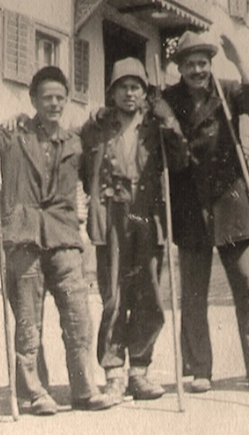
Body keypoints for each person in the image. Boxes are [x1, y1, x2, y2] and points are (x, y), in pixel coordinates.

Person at [0, 66, 117, 415]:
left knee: (78, 316)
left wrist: (104, 115)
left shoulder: (74, 141)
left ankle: (84, 389)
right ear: (33, 99)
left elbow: (99, 136)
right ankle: (34, 392)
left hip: (63, 237)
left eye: (60, 97)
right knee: (28, 321)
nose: (54, 103)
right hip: (23, 234)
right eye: (47, 97)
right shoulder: (13, 133)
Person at [162, 31, 249, 396]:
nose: (197, 70)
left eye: (203, 63)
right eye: (190, 64)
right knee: (193, 294)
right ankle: (200, 369)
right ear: (180, 68)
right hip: (190, 206)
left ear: (211, 64)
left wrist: (241, 65)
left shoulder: (227, 91)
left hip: (230, 201)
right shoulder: (169, 99)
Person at [79, 58, 188, 403]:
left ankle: (139, 370)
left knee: (148, 294)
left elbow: (181, 160)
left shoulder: (156, 127)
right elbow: (84, 167)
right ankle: (114, 374)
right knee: (113, 295)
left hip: (147, 215)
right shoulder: (99, 127)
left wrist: (169, 122)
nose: (129, 93)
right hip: (112, 215)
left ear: (144, 93)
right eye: (123, 87)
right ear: (112, 93)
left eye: (136, 87)